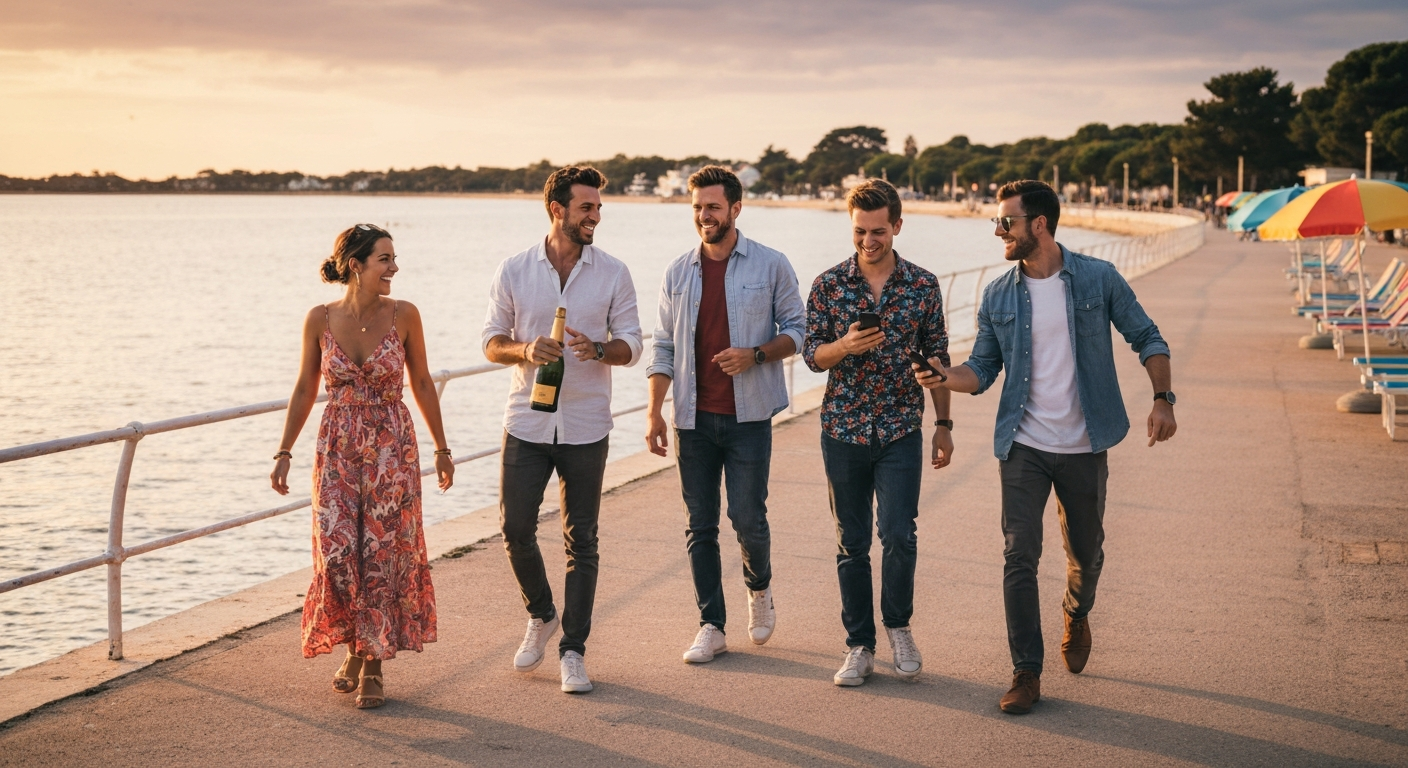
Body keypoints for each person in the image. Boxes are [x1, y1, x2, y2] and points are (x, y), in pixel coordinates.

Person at [915, 179, 1176, 714]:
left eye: (1005, 222)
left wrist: (1162, 398)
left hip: (1085, 442)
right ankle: (1026, 673)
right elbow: (982, 370)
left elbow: (1147, 337)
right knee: (1019, 555)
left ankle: (1076, 613)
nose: (997, 231)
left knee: (1086, 552)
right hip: (1024, 445)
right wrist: (944, 375)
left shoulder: (1098, 279)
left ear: (1039, 224)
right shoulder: (997, 294)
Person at [271, 223, 454, 710]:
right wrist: (284, 451)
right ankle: (356, 646)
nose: (394, 268)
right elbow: (305, 389)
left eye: (394, 259)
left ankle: (371, 663)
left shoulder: (405, 315)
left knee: (381, 556)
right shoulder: (319, 318)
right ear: (357, 264)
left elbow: (421, 382)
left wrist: (441, 448)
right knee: (337, 554)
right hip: (336, 449)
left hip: (392, 447)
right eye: (385, 259)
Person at [482, 166, 642, 694]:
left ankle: (573, 651)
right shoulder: (514, 269)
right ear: (558, 210)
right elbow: (490, 342)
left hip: (587, 423)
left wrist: (596, 349)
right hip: (526, 420)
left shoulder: (614, 272)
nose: (596, 215)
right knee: (515, 529)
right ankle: (542, 613)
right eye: (587, 207)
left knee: (583, 540)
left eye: (598, 207)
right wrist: (526, 349)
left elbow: (632, 344)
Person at [645, 165, 805, 664]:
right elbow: (664, 345)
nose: (703, 215)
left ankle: (759, 589)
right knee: (700, 524)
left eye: (712, 206)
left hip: (748, 416)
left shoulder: (771, 264)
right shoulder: (677, 271)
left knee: (748, 517)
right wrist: (654, 410)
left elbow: (799, 330)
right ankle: (711, 624)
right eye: (696, 206)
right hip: (691, 418)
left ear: (736, 208)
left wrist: (755, 354)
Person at [803, 179, 953, 687]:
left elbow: (938, 361)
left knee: (898, 534)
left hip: (900, 430)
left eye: (879, 231)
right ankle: (858, 645)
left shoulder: (923, 286)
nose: (869, 241)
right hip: (842, 429)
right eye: (860, 231)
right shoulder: (827, 286)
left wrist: (945, 425)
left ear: (898, 227)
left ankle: (899, 628)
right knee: (851, 543)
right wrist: (844, 345)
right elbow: (811, 357)